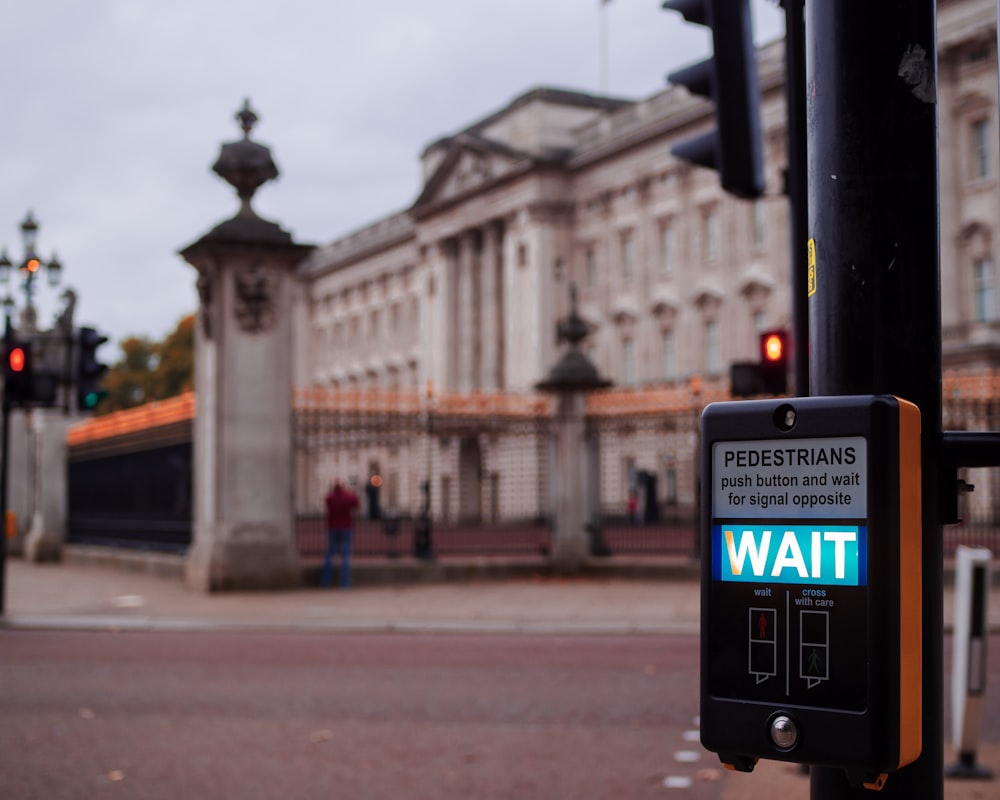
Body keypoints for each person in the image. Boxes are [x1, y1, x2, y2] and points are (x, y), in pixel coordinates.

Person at [322, 480, 360, 589]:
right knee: (345, 557)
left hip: (332, 528)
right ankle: (344, 582)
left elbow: (326, 500)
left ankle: (325, 582)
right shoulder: (347, 497)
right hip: (345, 528)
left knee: (329, 556)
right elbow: (356, 503)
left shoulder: (331, 497)